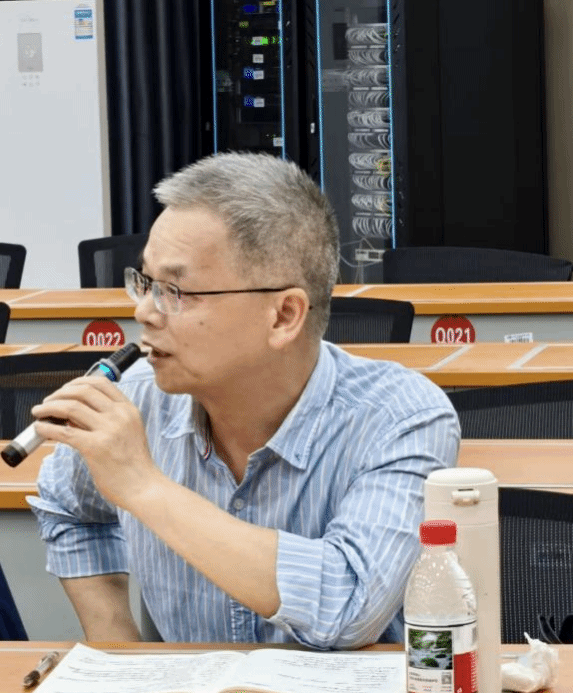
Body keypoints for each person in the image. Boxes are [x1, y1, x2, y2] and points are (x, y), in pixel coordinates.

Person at [30, 152, 460, 648]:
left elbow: (348, 606)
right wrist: (117, 641)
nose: (144, 312)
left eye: (175, 290)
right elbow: (66, 503)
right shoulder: (137, 401)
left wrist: (144, 486)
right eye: (145, 283)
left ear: (283, 316)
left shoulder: (401, 417)